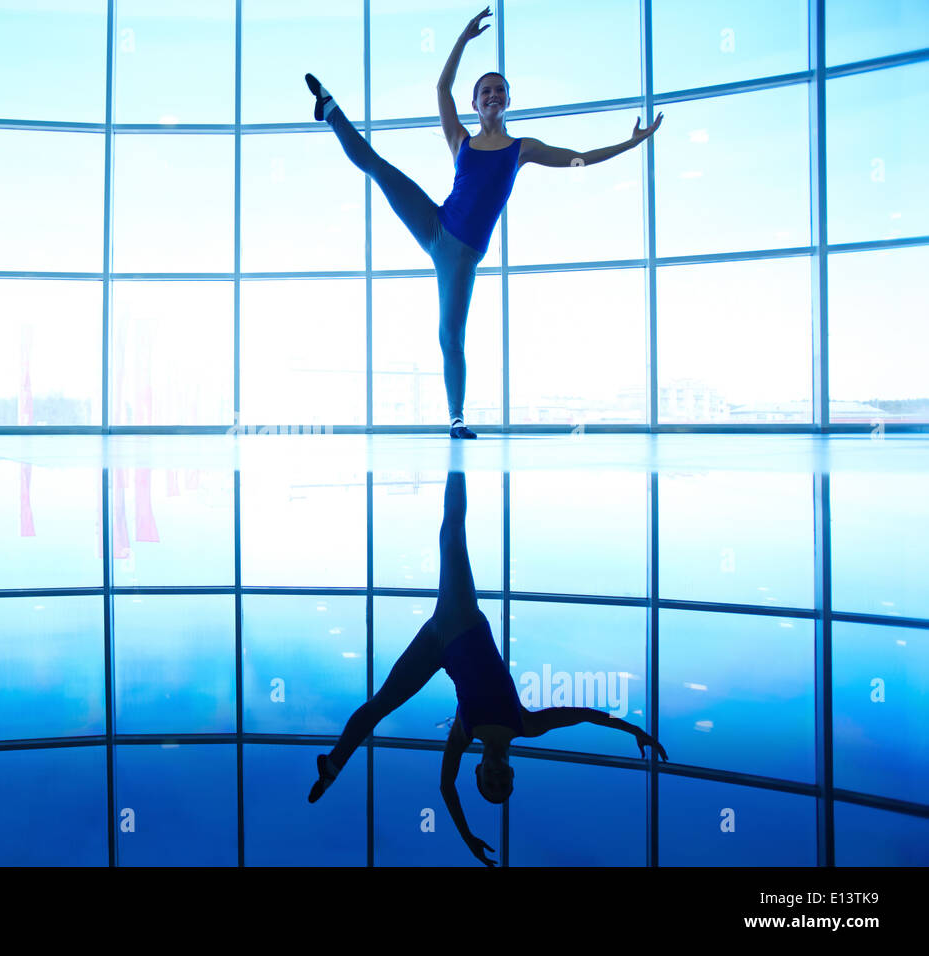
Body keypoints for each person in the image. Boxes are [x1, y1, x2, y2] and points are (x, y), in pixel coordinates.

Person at [305, 6, 662, 438]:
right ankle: (331, 110)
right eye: (486, 91)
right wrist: (463, 38)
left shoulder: (522, 148)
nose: (493, 95)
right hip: (435, 221)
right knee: (379, 168)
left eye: (500, 91)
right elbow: (442, 87)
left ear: (508, 101)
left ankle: (456, 419)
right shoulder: (461, 139)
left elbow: (578, 159)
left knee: (450, 335)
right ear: (475, 103)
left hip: (460, 254)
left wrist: (631, 142)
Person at [307, 471, 668, 866]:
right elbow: (584, 715)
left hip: (436, 646)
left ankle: (334, 766)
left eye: (487, 780)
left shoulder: (465, 733)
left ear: (478, 771)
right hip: (460, 619)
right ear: (511, 775)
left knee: (380, 705)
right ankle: (455, 462)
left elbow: (446, 786)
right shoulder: (524, 725)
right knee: (452, 534)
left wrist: (467, 840)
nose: (496, 775)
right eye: (502, 781)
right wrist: (636, 730)